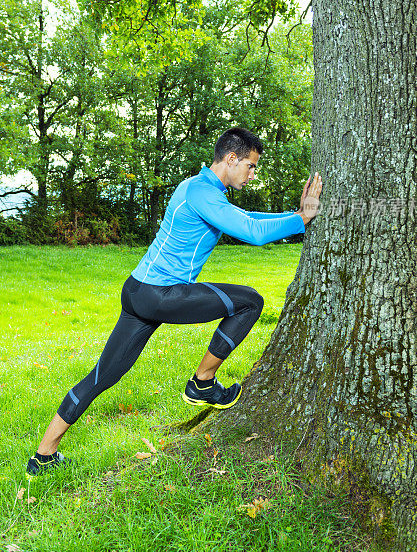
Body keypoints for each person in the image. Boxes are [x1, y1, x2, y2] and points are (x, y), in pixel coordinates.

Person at [26, 127, 322, 475]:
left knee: (102, 376)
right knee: (250, 302)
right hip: (159, 294)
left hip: (137, 291)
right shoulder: (202, 193)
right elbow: (254, 234)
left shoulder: (197, 188)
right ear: (230, 159)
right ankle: (202, 383)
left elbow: (250, 221)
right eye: (251, 166)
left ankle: (43, 455)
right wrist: (302, 217)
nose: (252, 174)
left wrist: (295, 220)